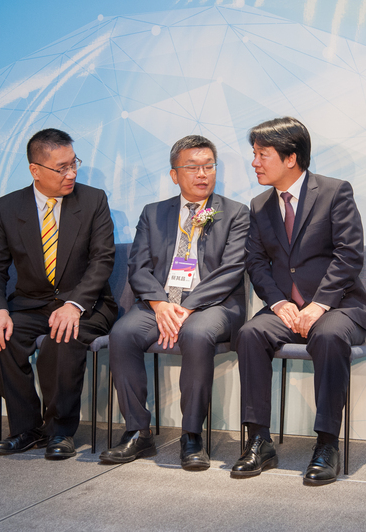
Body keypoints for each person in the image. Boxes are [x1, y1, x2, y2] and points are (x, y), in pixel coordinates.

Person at [231, 117, 366, 485]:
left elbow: (349, 254)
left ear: (290, 157)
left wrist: (319, 303)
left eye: (262, 154)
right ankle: (259, 441)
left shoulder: (334, 192)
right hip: (286, 308)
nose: (255, 163)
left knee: (328, 336)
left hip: (338, 306)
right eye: (254, 154)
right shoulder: (260, 204)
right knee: (250, 334)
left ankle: (326, 444)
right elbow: (255, 262)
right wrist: (279, 303)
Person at [99, 135, 249, 471]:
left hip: (215, 305)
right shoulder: (153, 213)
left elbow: (231, 270)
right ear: (174, 174)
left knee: (196, 333)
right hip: (160, 304)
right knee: (123, 334)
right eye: (193, 167)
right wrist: (160, 304)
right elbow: (138, 266)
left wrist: (187, 306)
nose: (202, 174)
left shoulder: (235, 213)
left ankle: (191, 435)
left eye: (208, 166)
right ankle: (138, 431)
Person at [0, 128, 117, 460]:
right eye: (61, 168)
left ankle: (59, 432)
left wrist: (74, 304)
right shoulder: (6, 208)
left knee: (62, 339)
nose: (71, 174)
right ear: (35, 170)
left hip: (86, 304)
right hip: (31, 303)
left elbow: (102, 259)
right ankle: (27, 429)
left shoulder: (93, 200)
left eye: (74, 164)